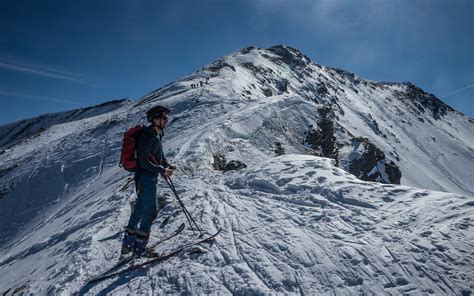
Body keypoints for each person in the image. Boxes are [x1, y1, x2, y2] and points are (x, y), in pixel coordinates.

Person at [121, 105, 175, 257]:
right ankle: (139, 250)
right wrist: (162, 171)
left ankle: (127, 247)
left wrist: (166, 165)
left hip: (148, 177)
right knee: (151, 210)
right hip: (145, 178)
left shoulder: (157, 134)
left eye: (166, 117)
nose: (166, 120)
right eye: (164, 117)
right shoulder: (147, 136)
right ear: (155, 119)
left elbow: (159, 155)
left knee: (139, 210)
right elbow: (144, 162)